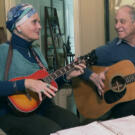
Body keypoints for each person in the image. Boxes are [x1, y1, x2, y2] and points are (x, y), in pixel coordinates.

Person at [0, 3, 86, 135]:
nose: (39, 26)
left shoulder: (36, 51)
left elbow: (47, 84)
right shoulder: (3, 51)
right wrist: (26, 83)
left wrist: (66, 76)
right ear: (19, 26)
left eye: (39, 22)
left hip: (42, 106)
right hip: (13, 114)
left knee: (74, 123)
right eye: (34, 22)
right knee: (52, 131)